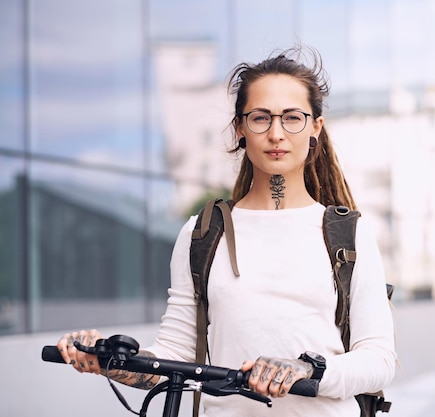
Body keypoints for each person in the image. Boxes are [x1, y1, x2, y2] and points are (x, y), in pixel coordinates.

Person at [57, 46, 396, 417]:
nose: (276, 133)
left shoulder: (349, 234)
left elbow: (377, 359)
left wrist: (307, 369)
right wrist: (106, 359)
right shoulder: (202, 233)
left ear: (315, 127)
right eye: (260, 118)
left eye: (293, 118)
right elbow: (174, 356)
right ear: (240, 127)